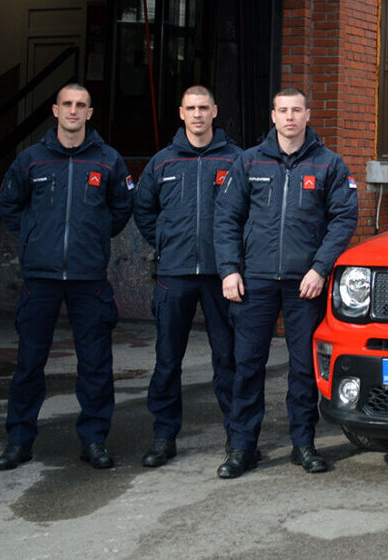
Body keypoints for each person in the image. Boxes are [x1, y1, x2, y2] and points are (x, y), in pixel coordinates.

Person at [213, 87, 358, 478]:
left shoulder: (329, 165)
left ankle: (303, 444)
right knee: (246, 365)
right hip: (254, 281)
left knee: (302, 367)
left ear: (308, 115)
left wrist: (320, 269)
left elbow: (344, 219)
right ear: (273, 116)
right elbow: (226, 218)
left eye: (297, 110)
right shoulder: (248, 162)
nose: (290, 117)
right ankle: (241, 447)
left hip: (304, 283)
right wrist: (228, 270)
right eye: (283, 110)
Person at [0, 83, 133, 470]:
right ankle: (19, 442)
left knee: (95, 364)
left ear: (90, 113)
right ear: (55, 110)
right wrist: (35, 239)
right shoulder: (31, 160)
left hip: (90, 279)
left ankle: (94, 440)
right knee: (29, 363)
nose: (73, 111)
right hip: (41, 278)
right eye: (67, 104)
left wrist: (92, 238)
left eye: (81, 105)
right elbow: (10, 204)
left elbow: (121, 209)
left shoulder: (108, 161)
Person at [132, 85, 243, 467]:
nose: (197, 114)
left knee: (228, 359)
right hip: (173, 275)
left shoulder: (236, 160)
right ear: (181, 113)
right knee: (167, 360)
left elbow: (250, 213)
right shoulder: (162, 162)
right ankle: (164, 436)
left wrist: (235, 260)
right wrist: (165, 243)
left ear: (215, 111)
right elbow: (143, 210)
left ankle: (238, 437)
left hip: (222, 276)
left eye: (204, 108)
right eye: (191, 108)